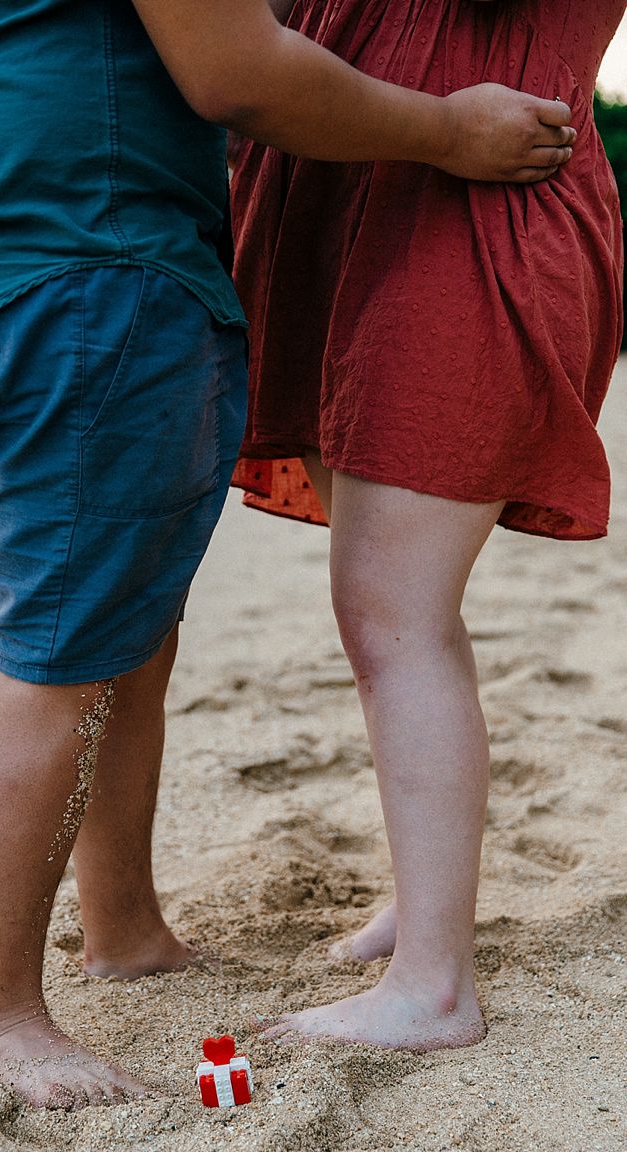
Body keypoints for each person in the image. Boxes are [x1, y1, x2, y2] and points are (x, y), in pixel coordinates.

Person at [0, 0, 575, 1109]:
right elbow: (235, 72)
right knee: (62, 661)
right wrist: (445, 131)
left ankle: (124, 928)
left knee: (121, 631)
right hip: (82, 269)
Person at [228, 0, 623, 1051]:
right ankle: (426, 903)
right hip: (342, 204)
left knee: (392, 613)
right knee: (400, 617)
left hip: (467, 210)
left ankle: (434, 986)